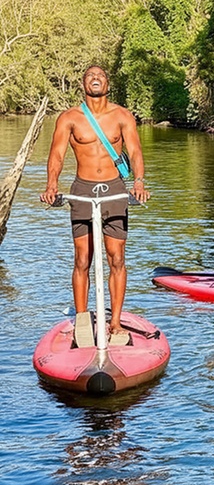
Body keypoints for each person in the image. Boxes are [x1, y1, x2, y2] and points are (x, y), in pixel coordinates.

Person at [40, 65, 150, 336]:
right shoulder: (69, 118)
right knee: (82, 259)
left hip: (114, 190)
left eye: (100, 76)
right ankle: (81, 322)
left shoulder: (122, 115)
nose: (96, 79)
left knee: (117, 258)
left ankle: (115, 322)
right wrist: (52, 185)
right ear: (83, 84)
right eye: (90, 76)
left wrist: (138, 182)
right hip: (82, 190)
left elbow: (135, 151)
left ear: (108, 84)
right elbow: (56, 154)